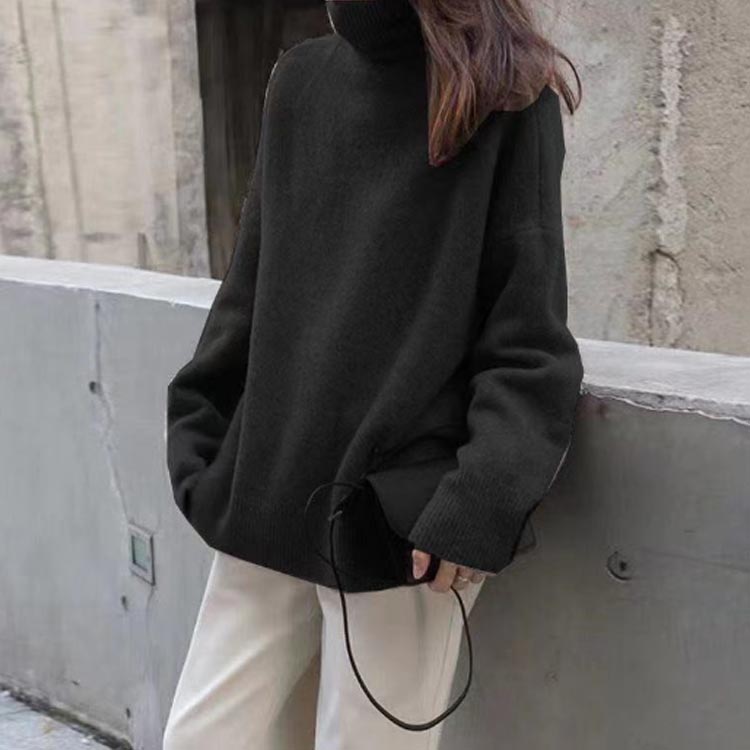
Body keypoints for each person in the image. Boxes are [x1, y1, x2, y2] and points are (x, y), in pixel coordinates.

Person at [162, 0, 584, 748]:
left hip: (398, 529)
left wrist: (477, 503)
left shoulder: (508, 95)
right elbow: (251, 289)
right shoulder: (302, 80)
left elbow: (528, 338)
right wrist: (201, 435)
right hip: (267, 498)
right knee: (201, 737)